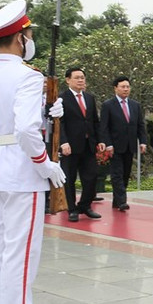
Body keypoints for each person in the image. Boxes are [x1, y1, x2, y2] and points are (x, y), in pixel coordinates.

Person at [0, 0, 66, 304]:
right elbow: (27, 130)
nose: (30, 41)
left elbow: (2, 116)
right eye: (28, 35)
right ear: (18, 39)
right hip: (21, 167)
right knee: (22, 252)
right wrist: (46, 163)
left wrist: (46, 109)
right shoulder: (29, 77)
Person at [59, 67, 103, 222]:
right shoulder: (62, 98)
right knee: (69, 179)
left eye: (82, 77)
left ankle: (85, 205)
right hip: (70, 146)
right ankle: (72, 209)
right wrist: (63, 142)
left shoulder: (89, 98)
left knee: (91, 176)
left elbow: (94, 122)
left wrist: (100, 140)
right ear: (68, 80)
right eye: (77, 77)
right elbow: (60, 123)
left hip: (88, 144)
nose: (80, 80)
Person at [99, 76, 148, 211]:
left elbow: (140, 125)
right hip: (114, 146)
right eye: (123, 87)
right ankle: (122, 201)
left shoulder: (135, 105)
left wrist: (143, 141)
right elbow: (104, 127)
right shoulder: (108, 105)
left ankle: (117, 200)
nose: (126, 89)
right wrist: (107, 144)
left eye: (127, 87)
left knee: (126, 174)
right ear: (116, 88)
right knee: (117, 174)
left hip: (130, 145)